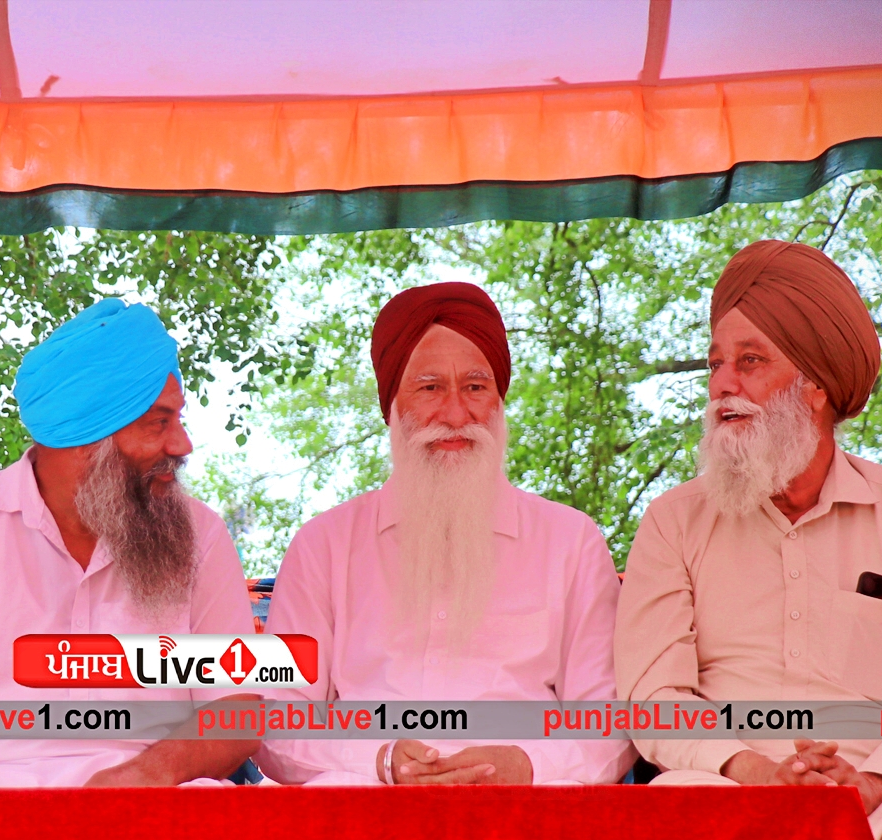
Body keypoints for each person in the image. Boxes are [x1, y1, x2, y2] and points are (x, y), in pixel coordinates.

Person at [615, 240, 882, 840]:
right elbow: (654, 699)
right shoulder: (673, 521)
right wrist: (757, 772)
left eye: (750, 361)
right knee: (673, 817)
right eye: (716, 363)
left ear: (816, 386)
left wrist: (870, 783)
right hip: (729, 785)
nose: (722, 385)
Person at [0, 298, 259, 787]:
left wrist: (146, 776)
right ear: (87, 437)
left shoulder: (200, 534)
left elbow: (237, 711)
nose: (181, 445)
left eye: (177, 420)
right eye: (158, 423)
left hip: (155, 802)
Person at [256, 283, 633, 787]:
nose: (456, 414)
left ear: (499, 401)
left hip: (526, 806)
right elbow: (276, 723)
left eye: (475, 388)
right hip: (362, 801)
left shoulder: (571, 542)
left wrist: (526, 766)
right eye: (429, 388)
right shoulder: (323, 546)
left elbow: (610, 724)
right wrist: (381, 761)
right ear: (391, 406)